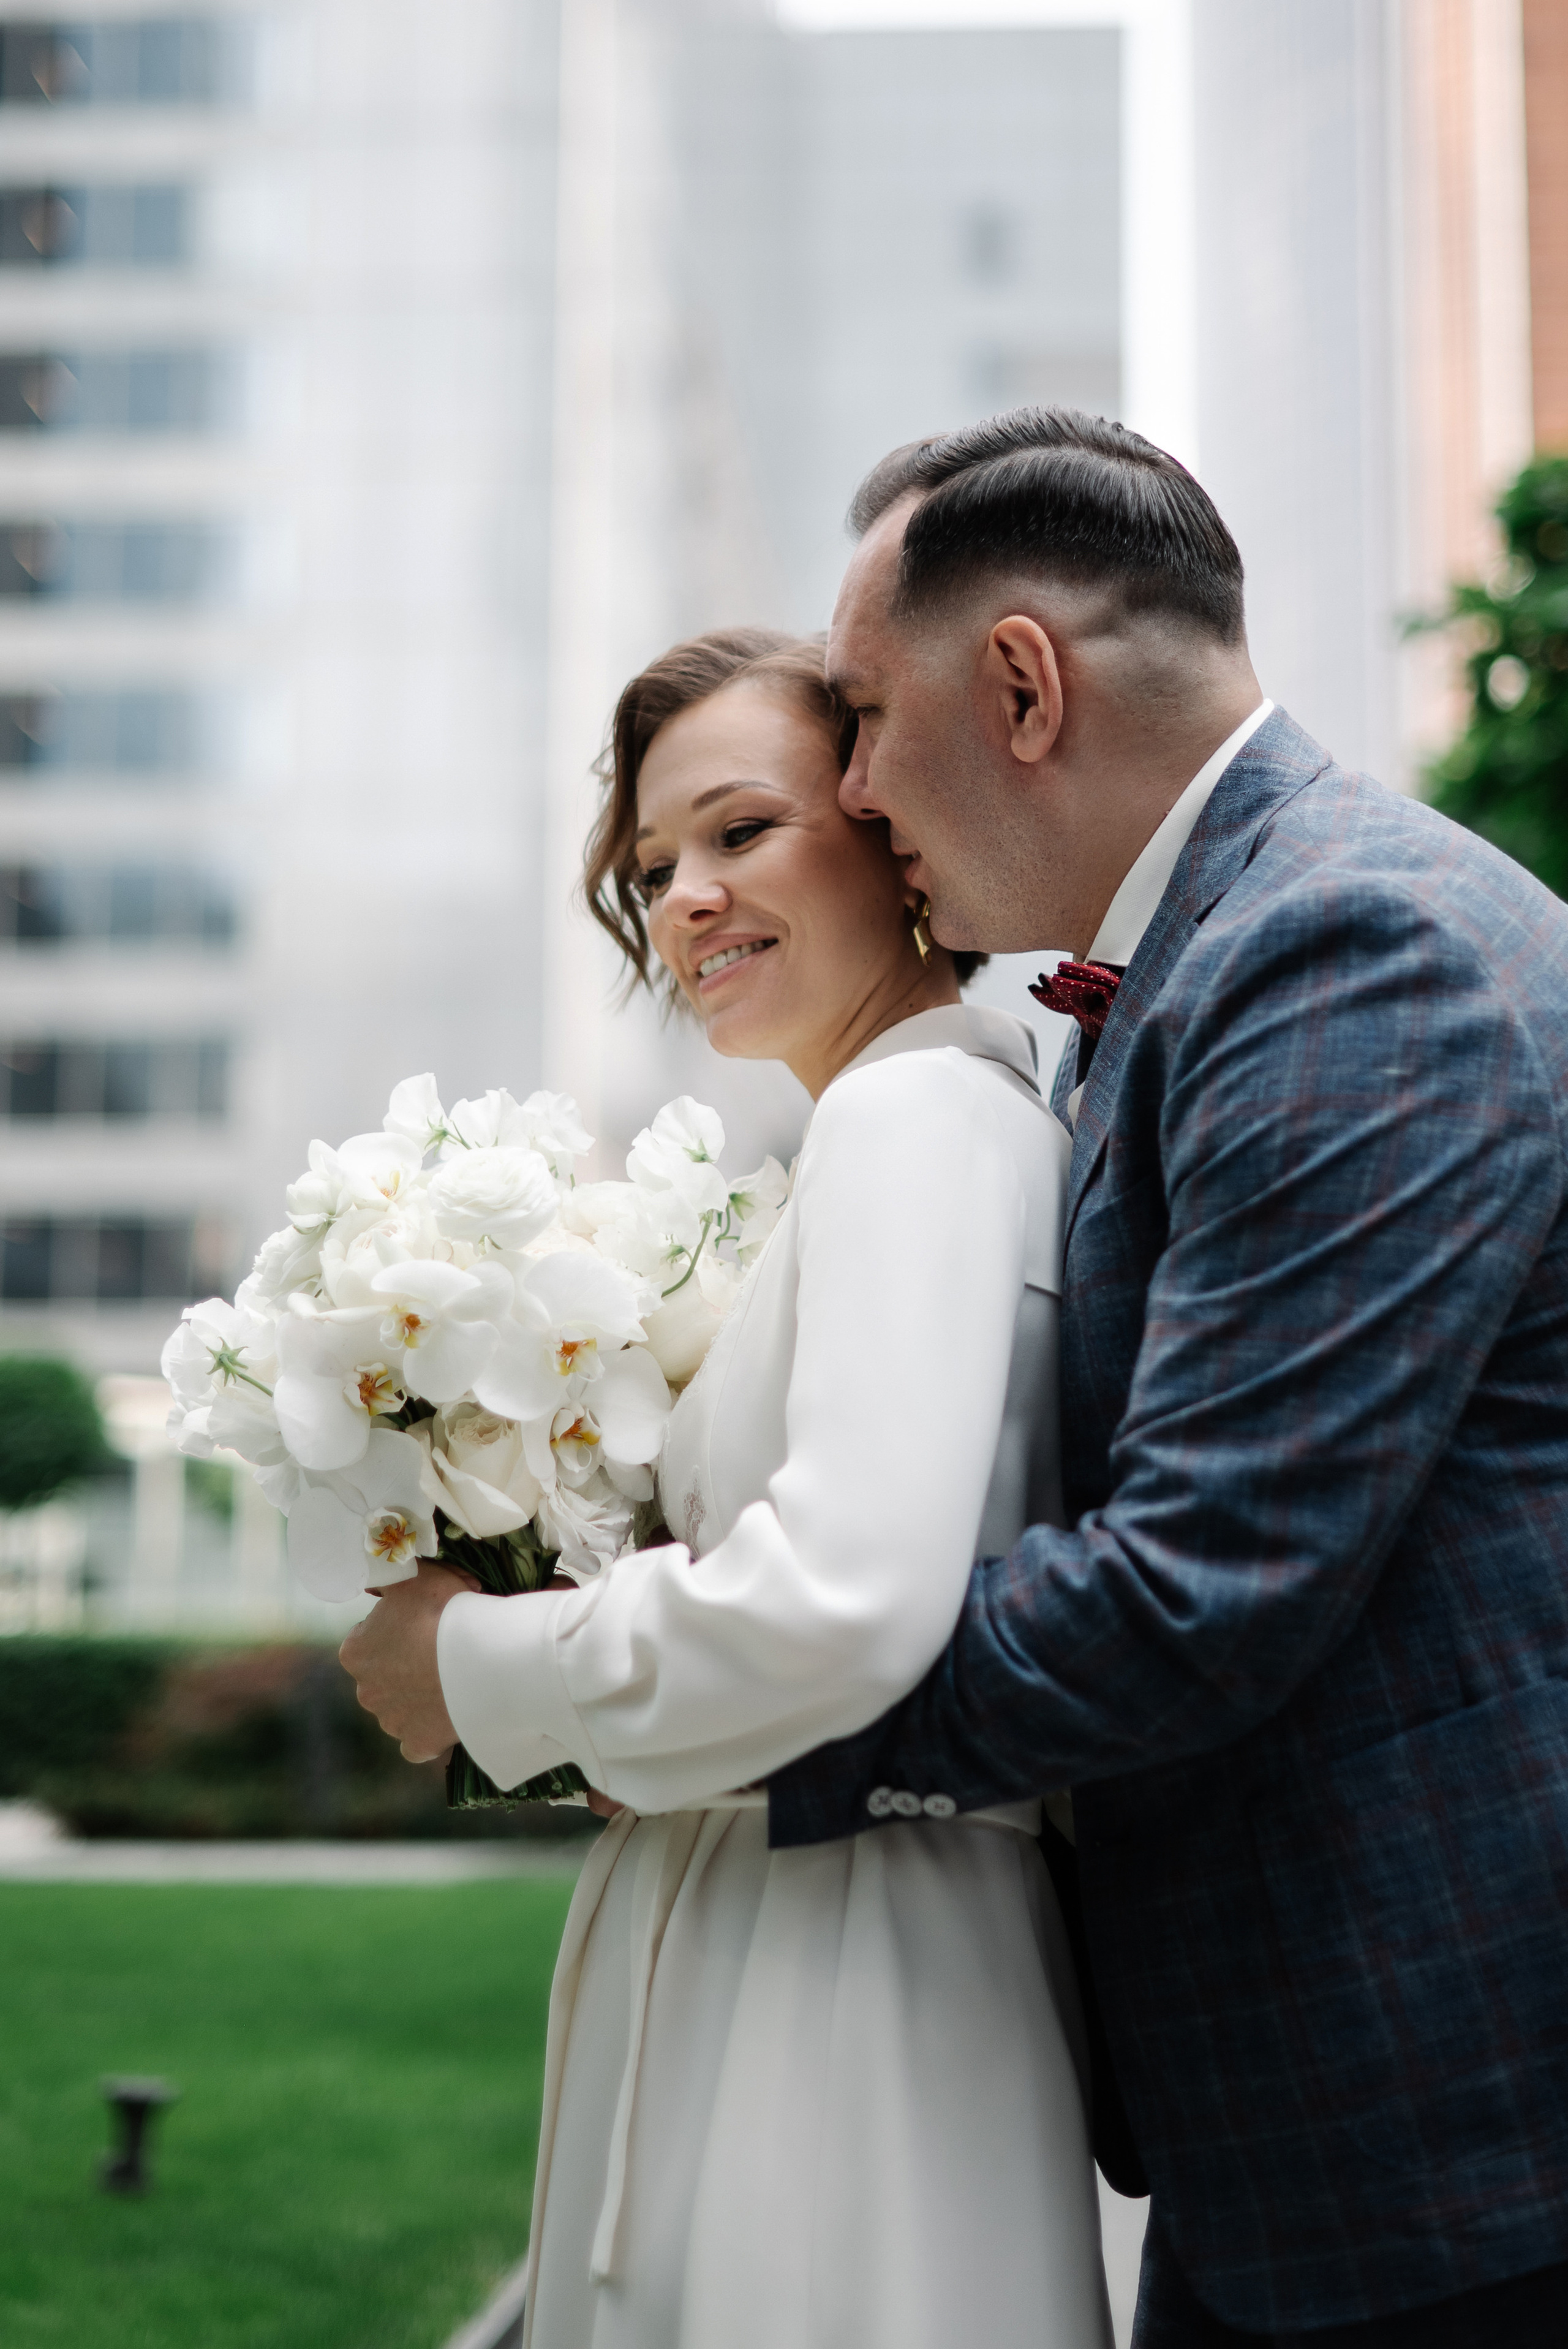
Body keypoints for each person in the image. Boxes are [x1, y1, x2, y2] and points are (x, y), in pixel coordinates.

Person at [761, 409, 1568, 2348]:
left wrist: (719, 1719)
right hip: (1320, 2126)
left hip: (1455, 2142)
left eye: (867, 716)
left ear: (1022, 683)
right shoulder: (1218, 956)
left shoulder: (1350, 948)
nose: (855, 788)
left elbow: (1196, 1589)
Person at [342, 627, 1115, 2348]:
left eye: (741, 829)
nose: (686, 895)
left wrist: (474, 1670)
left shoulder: (919, 1124)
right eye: (651, 865)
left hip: (843, 1962)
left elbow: (841, 1597)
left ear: (890, 828)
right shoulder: (887, 1129)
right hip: (799, 1920)